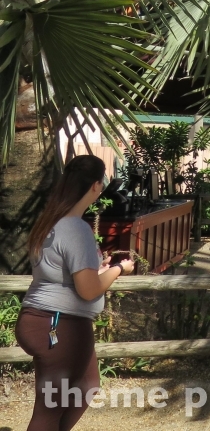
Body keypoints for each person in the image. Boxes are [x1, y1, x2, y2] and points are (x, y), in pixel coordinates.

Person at [15, 155, 135, 431]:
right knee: (49, 411)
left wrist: (99, 266)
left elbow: (63, 271)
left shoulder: (51, 222)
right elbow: (89, 289)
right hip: (58, 325)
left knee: (88, 385)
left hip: (49, 320)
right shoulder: (76, 229)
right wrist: (118, 268)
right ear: (96, 185)